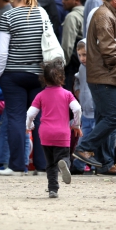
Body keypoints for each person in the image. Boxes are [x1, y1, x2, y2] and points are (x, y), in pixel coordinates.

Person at [72, 0, 116, 176]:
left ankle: (106, 164)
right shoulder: (104, 16)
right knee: (115, 117)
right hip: (107, 78)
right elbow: (108, 50)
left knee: (104, 119)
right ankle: (84, 148)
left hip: (109, 77)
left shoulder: (111, 15)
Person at [0, 0, 49, 176]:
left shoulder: (8, 16)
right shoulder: (42, 14)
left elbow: (1, 52)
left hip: (13, 74)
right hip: (39, 74)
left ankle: (17, 166)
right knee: (39, 118)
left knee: (16, 118)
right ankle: (42, 166)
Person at [26, 61, 82, 198]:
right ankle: (64, 165)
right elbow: (77, 109)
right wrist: (76, 125)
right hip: (62, 134)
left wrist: (29, 126)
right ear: (62, 78)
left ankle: (53, 189)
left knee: (50, 164)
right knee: (63, 157)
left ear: (44, 79)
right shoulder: (67, 94)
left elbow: (30, 114)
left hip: (45, 134)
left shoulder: (40, 95)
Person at [72, 39, 94, 174]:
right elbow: (78, 81)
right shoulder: (82, 68)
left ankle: (81, 163)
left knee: (88, 135)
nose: (82, 58)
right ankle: (79, 163)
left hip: (93, 107)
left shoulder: (94, 66)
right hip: (86, 108)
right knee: (86, 136)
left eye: (85, 54)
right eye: (80, 55)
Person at [61, 0, 85, 92]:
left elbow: (67, 46)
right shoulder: (89, 13)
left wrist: (61, 67)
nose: (62, 1)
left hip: (73, 66)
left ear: (77, 0)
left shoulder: (72, 17)